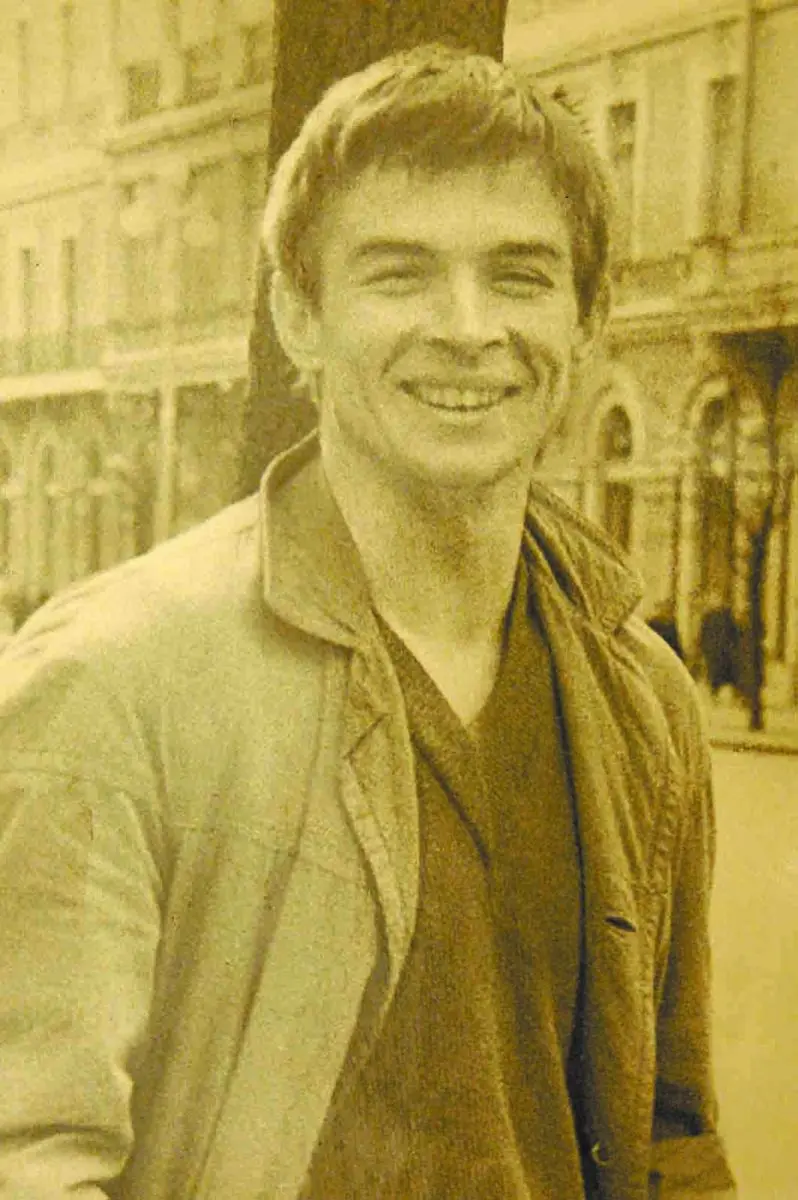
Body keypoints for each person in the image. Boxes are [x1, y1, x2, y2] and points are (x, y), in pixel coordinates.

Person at [0, 45, 735, 1199]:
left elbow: (672, 1140)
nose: (468, 327)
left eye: (520, 276)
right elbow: (28, 1152)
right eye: (400, 274)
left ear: (589, 319)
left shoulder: (647, 702)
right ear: (299, 315)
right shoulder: (114, 681)